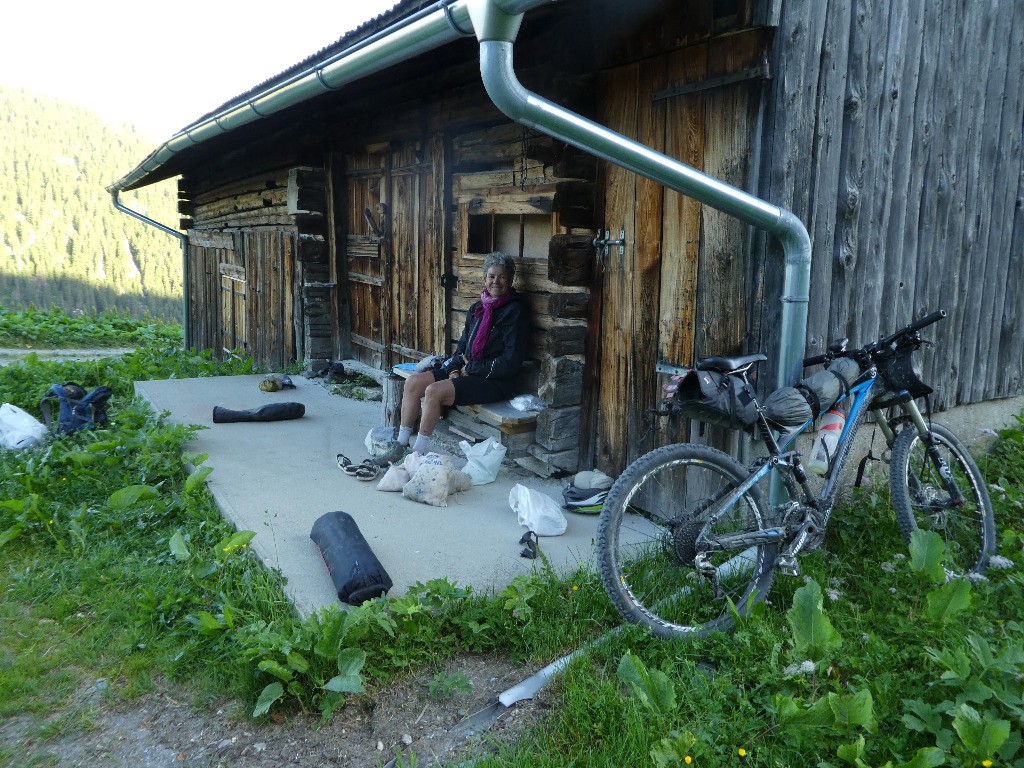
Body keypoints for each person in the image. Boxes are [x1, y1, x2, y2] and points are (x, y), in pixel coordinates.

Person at [375, 251, 531, 466]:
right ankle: (401, 445)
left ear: (510, 279)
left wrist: (473, 368)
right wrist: (454, 370)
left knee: (433, 391)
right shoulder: (477, 308)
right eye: (492, 276)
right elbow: (462, 350)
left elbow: (511, 361)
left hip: (495, 380)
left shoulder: (515, 311)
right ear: (485, 278)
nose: (496, 281)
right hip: (470, 370)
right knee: (413, 382)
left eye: (502, 277)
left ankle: (417, 454)